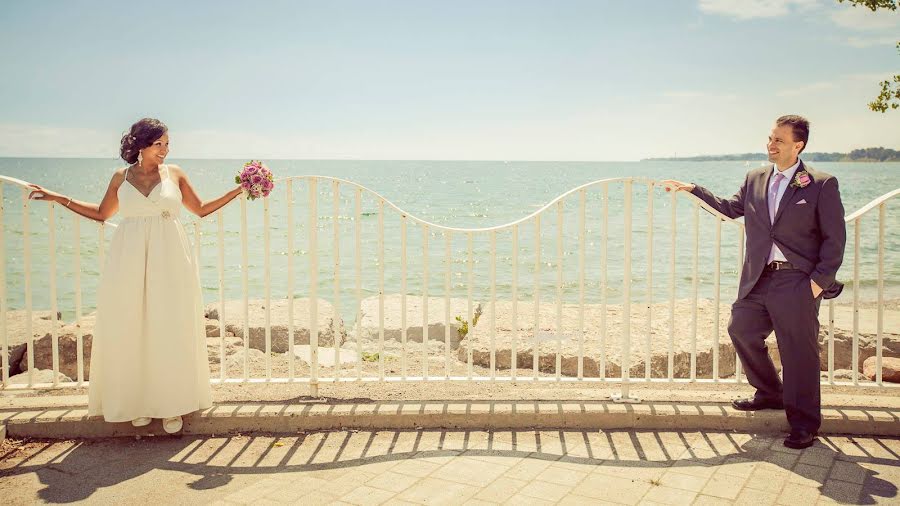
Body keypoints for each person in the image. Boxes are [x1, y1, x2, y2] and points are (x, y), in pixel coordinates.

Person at [28, 118, 243, 433]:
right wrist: (59, 198)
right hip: (127, 259)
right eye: (159, 144)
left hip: (170, 257)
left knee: (169, 326)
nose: (165, 150)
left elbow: (201, 209)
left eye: (168, 144)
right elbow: (102, 214)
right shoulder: (121, 177)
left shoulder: (176, 174)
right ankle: (137, 402)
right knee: (130, 326)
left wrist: (239, 190)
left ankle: (173, 405)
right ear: (141, 146)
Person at [663, 115, 846, 449]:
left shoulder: (821, 183)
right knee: (741, 328)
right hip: (759, 277)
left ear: (798, 145)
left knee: (798, 353)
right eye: (770, 138)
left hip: (798, 280)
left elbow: (835, 240)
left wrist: (817, 284)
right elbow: (732, 208)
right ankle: (770, 392)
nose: (770, 145)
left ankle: (804, 423)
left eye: (778, 140)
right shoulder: (755, 177)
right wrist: (694, 190)